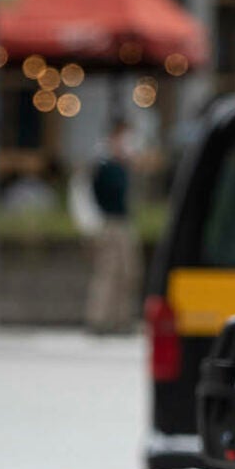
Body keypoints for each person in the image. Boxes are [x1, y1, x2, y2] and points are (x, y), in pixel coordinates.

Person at [84, 121, 138, 334]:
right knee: (107, 273)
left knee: (127, 273)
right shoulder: (105, 166)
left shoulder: (122, 166)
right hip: (110, 223)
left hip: (124, 223)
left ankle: (121, 319)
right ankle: (99, 319)